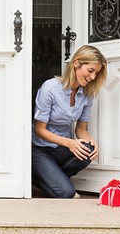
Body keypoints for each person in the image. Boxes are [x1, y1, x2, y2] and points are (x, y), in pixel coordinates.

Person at [32, 45, 107, 198]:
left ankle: (48, 179)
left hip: (61, 150)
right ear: (76, 63)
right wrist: (70, 143)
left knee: (88, 150)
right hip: (40, 149)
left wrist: (91, 142)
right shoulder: (50, 89)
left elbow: (81, 130)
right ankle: (43, 178)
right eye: (90, 71)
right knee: (66, 193)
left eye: (96, 73)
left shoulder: (87, 94)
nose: (93, 77)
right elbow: (39, 130)